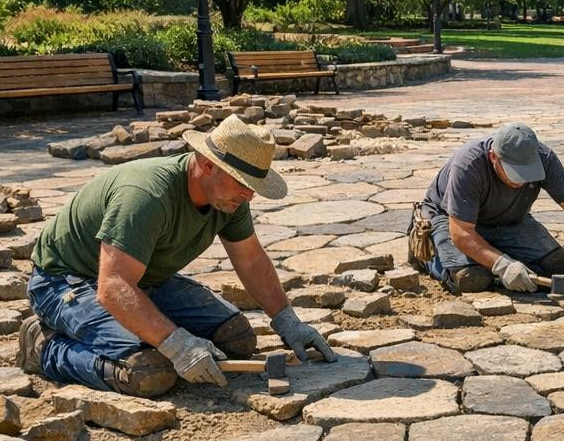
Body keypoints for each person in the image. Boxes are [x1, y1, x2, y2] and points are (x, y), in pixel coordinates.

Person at [18, 116, 336, 397]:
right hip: (65, 282)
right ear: (207, 163)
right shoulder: (146, 195)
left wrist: (287, 321)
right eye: (244, 183)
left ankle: (133, 333)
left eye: (254, 186)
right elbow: (112, 286)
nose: (249, 194)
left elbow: (250, 260)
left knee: (236, 338)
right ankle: (45, 346)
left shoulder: (229, 197)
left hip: (143, 281)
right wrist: (177, 345)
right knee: (149, 372)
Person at [409, 122, 564, 295]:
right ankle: (427, 257)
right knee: (472, 278)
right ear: (494, 157)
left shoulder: (544, 158)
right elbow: (461, 232)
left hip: (509, 221)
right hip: (450, 219)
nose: (521, 181)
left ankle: (495, 250)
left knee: (560, 268)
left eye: (527, 172)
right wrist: (502, 265)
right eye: (514, 173)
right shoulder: (469, 164)